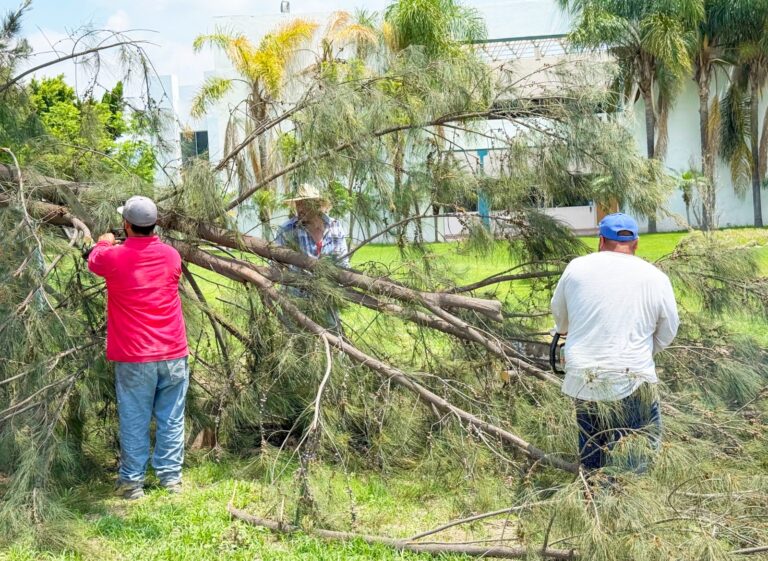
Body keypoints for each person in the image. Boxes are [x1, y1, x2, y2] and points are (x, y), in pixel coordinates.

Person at [550, 213, 679, 474]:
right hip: (633, 378)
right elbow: (668, 330)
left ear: (601, 241)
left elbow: (560, 320)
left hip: (583, 377)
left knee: (591, 451)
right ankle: (626, 502)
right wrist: (643, 351)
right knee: (635, 456)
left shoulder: (576, 268)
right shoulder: (654, 277)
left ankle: (593, 502)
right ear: (636, 243)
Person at [88, 195, 189, 500]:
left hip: (134, 356)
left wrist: (103, 241)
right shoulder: (172, 255)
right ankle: (171, 480)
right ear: (154, 224)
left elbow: (94, 259)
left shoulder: (113, 257)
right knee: (171, 416)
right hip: (173, 351)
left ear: (126, 225)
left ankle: (132, 483)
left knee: (134, 416)